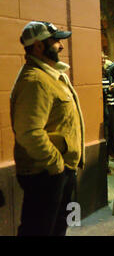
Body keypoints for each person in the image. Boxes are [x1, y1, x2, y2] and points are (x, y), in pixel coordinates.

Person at [11, 21, 85, 236]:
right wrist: (56, 165)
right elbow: (29, 132)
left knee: (56, 227)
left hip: (57, 170)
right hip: (44, 172)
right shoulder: (35, 80)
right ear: (38, 46)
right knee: (39, 230)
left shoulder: (51, 75)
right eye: (55, 41)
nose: (61, 46)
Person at [102, 52, 114, 165]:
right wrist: (108, 90)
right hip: (103, 108)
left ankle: (109, 154)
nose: (103, 60)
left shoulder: (106, 72)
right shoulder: (94, 73)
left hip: (111, 105)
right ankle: (105, 164)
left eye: (104, 58)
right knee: (106, 137)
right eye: (101, 58)